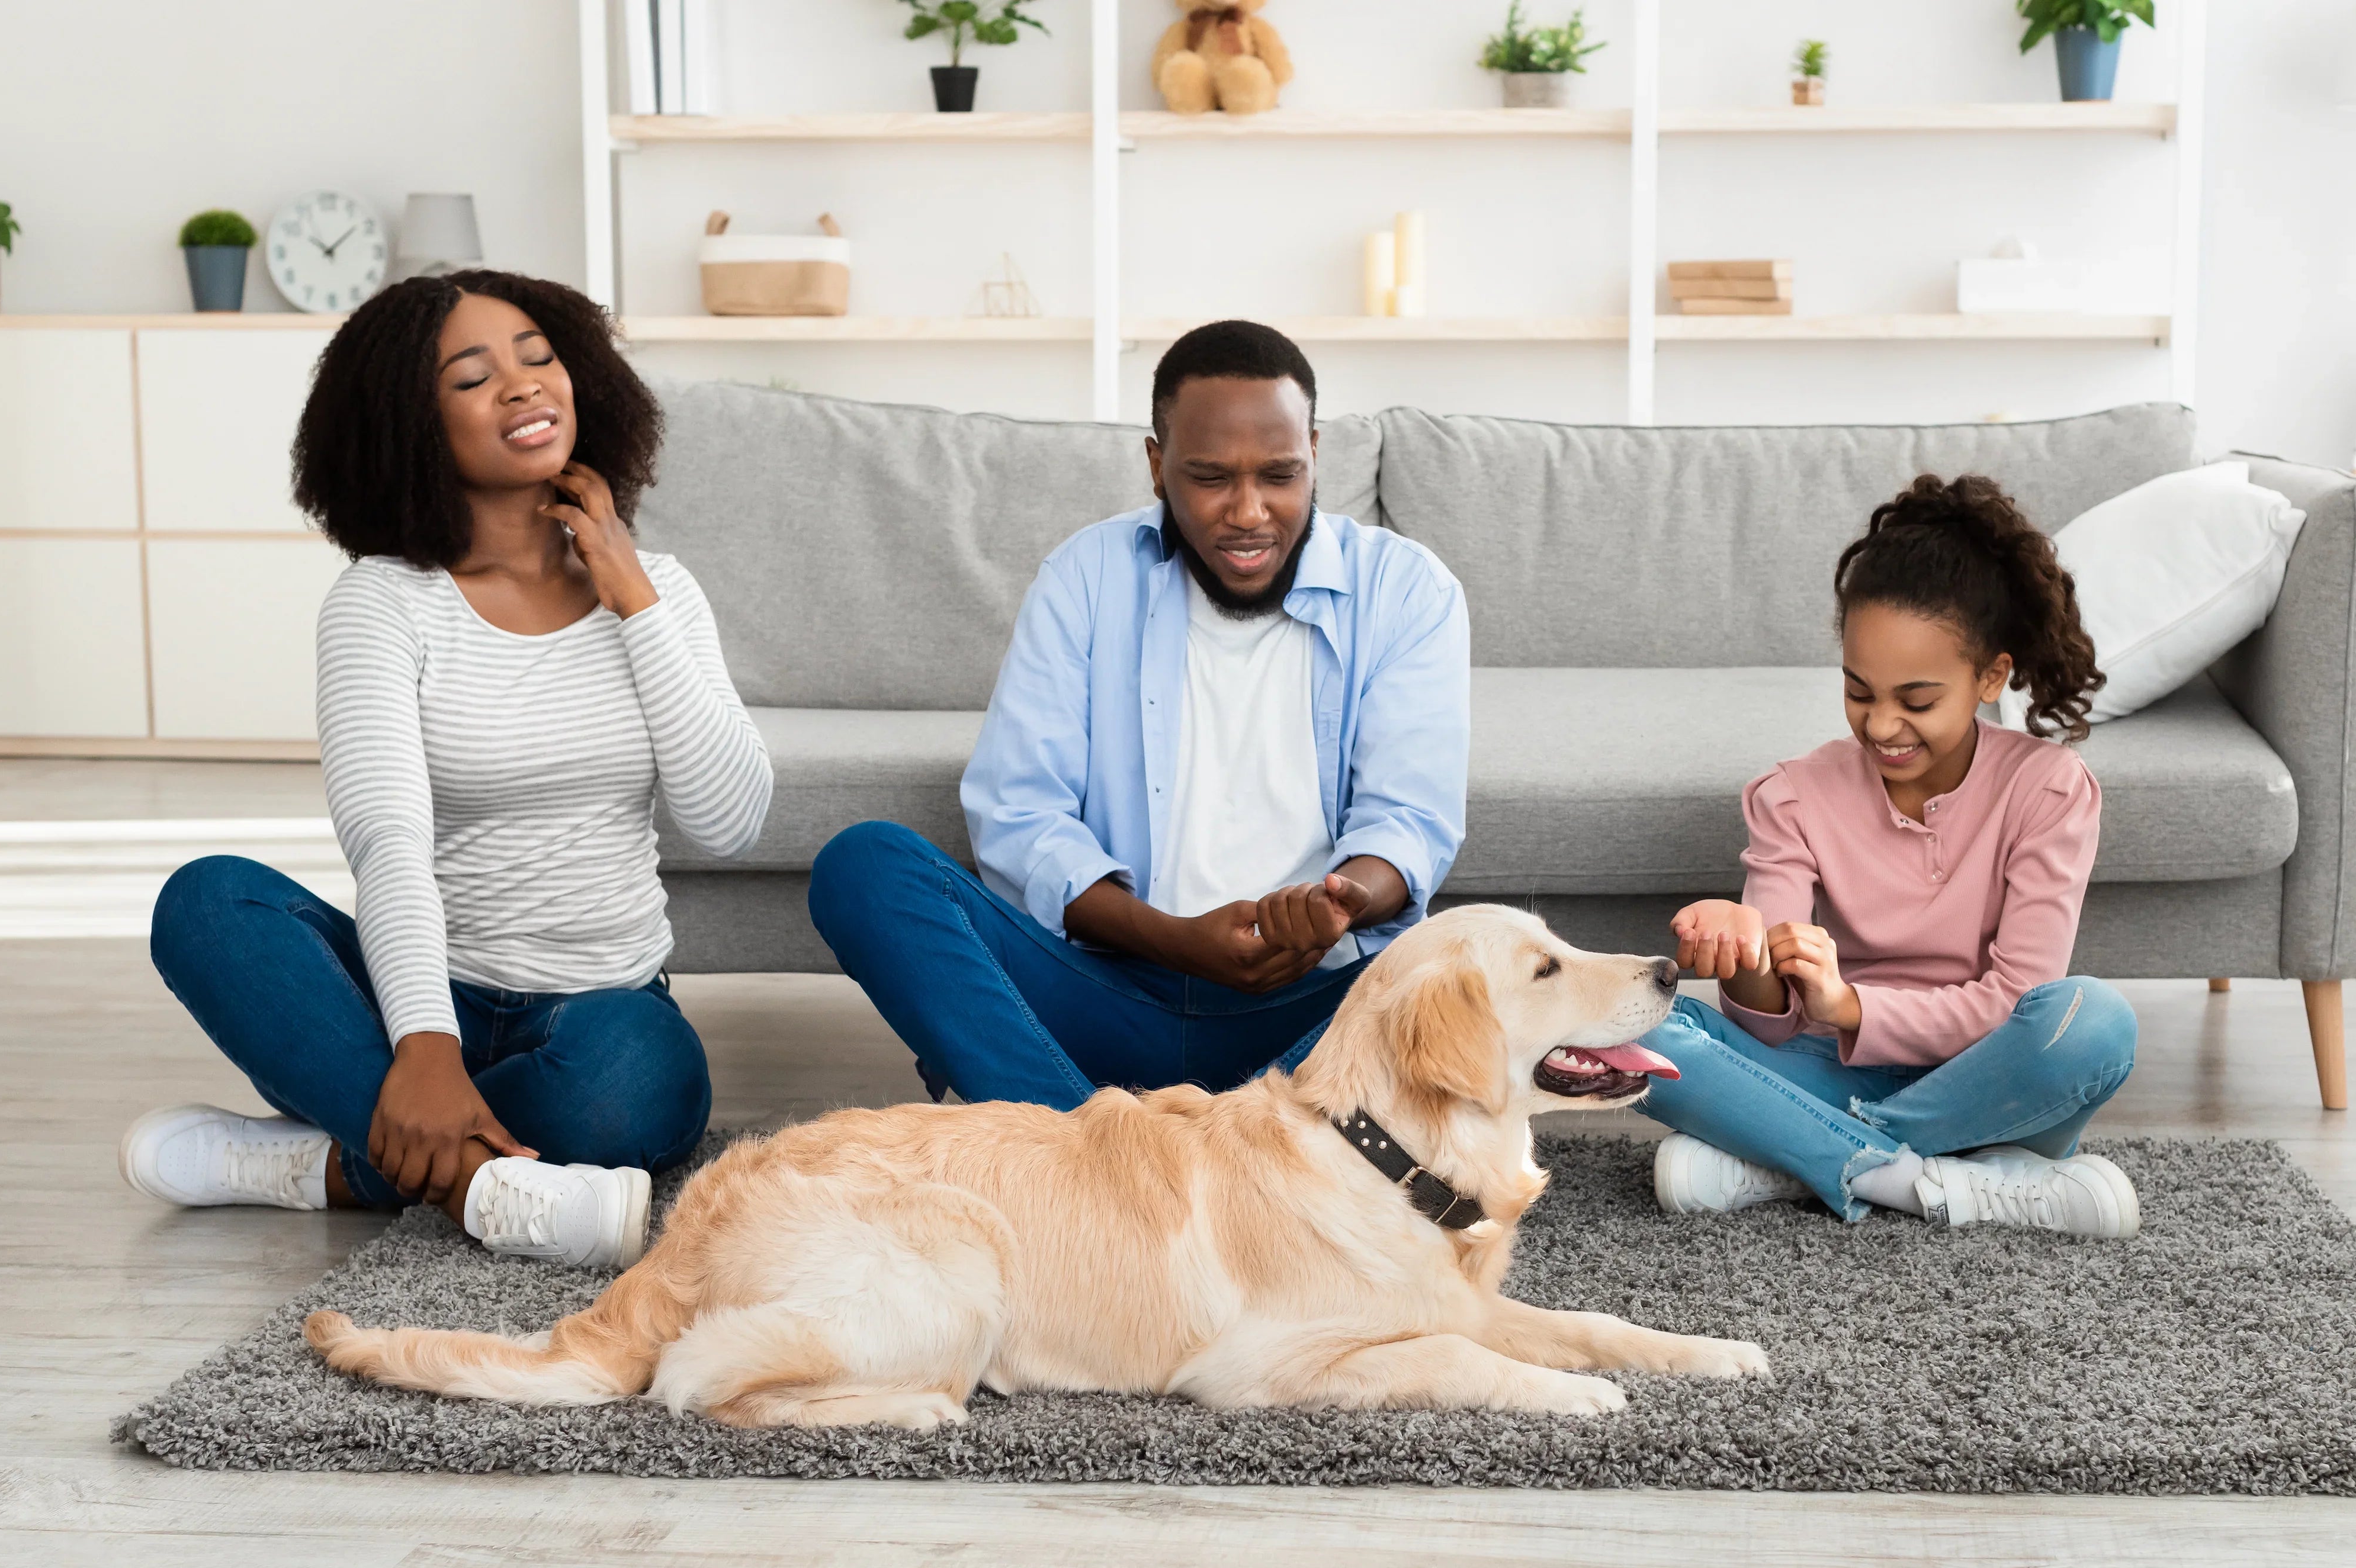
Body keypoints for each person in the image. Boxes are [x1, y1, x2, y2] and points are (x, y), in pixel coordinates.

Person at [121, 269, 772, 1271]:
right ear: (409, 424)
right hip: (422, 992)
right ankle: (483, 1183)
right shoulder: (382, 604)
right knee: (205, 904)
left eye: (537, 359)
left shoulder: (661, 592)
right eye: (472, 378)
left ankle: (325, 1165)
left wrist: (634, 598)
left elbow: (731, 821)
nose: (520, 388)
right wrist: (424, 1045)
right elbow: (390, 845)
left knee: (635, 1089)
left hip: (603, 1007)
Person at [806, 320, 1469, 1107]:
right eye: (1211, 477)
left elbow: (1409, 824)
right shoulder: (1085, 577)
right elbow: (1021, 815)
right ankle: (1110, 1157)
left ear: (1316, 455)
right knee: (867, 868)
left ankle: (1092, 1157)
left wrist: (1341, 902)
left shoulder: (1408, 591)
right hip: (1108, 995)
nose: (1250, 512)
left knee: (1457, 959)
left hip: (1309, 1018)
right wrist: (1175, 940)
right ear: (1158, 467)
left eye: (1281, 475)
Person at [1637, 474, 2142, 1239]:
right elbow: (1773, 1024)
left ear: (1990, 677)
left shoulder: (2049, 790)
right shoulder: (1795, 795)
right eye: (1858, 692)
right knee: (1623, 1024)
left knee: (2096, 1023)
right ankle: (1934, 1178)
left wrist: (1852, 1007)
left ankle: (1789, 1154)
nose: (1881, 726)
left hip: (1987, 1083)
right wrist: (1740, 950)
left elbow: (2016, 1001)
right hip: (1818, 1068)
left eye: (1916, 700)